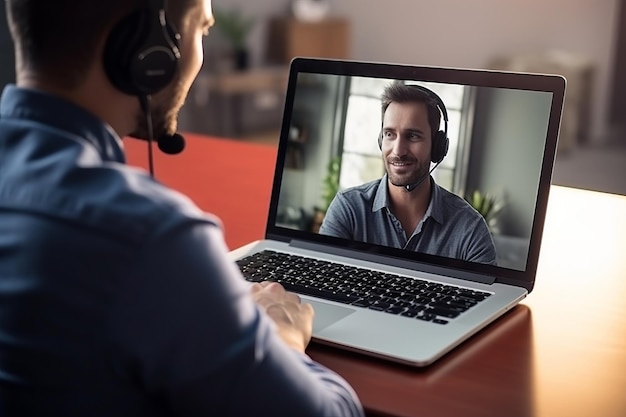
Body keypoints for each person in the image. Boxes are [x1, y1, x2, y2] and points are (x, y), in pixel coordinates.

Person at [0, 0, 364, 416]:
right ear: (147, 51)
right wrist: (281, 341)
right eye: (201, 30)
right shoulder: (151, 237)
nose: (200, 53)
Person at [319, 82, 497, 265]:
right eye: (390, 134)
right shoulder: (348, 209)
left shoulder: (470, 228)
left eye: (412, 136)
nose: (398, 150)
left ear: (437, 146)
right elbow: (321, 281)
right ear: (381, 139)